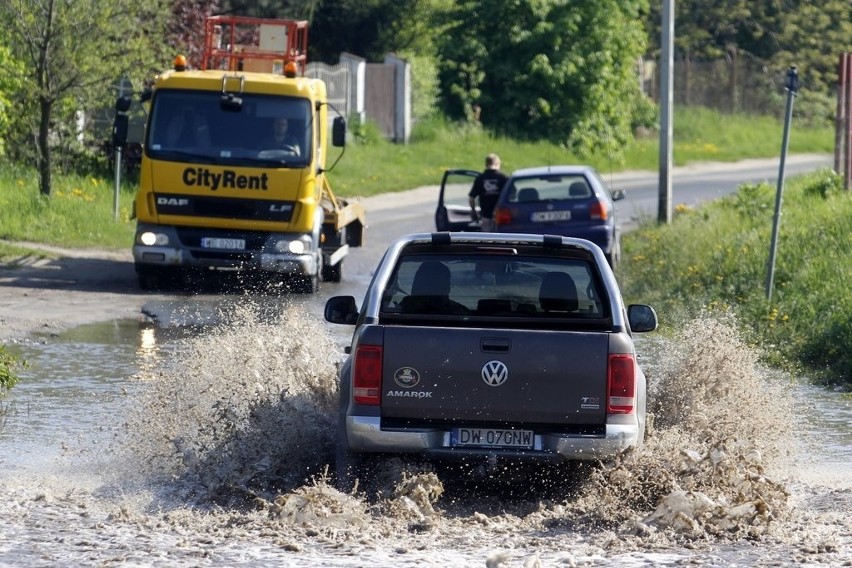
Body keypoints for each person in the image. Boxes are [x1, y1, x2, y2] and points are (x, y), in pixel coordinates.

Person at [468, 153, 508, 232]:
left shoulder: (480, 179)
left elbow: (471, 198)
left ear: (486, 164)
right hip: (502, 217)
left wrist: (473, 211)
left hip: (485, 216)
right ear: (497, 164)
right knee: (502, 240)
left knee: (487, 241)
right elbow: (512, 195)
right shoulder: (503, 178)